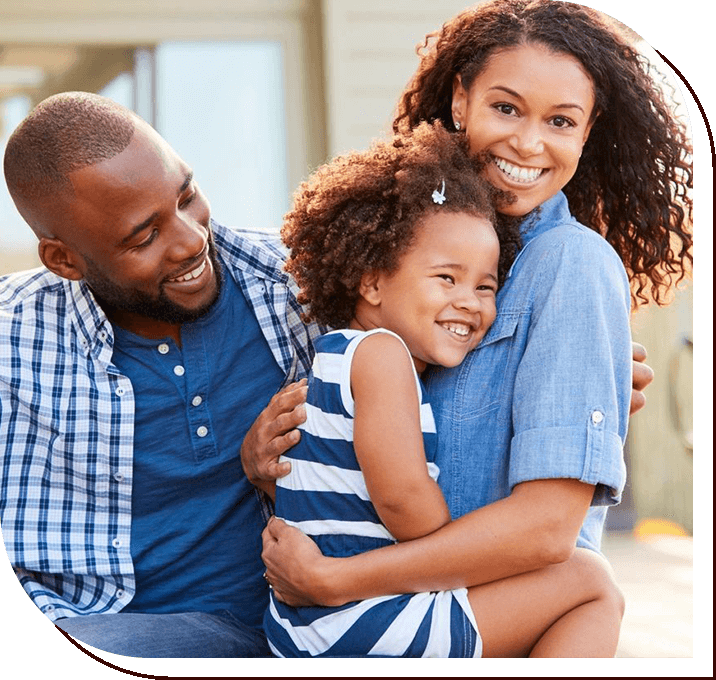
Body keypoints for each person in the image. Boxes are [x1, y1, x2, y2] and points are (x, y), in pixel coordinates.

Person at [252, 0, 693, 655]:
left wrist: (338, 580)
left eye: (561, 121)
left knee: (591, 582)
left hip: (450, 612)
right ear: (462, 100)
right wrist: (265, 457)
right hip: (385, 618)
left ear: (588, 131)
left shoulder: (570, 264)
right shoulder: (399, 249)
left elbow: (546, 533)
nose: (528, 142)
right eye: (506, 107)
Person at [264, 121, 624, 658]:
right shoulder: (382, 357)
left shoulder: (335, 358)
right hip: (358, 622)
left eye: (486, 285)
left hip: (309, 624)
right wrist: (452, 535)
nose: (471, 302)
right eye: (446, 279)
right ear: (373, 281)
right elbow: (403, 500)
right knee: (590, 582)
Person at [0, 91, 323, 658]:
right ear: (64, 260)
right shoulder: (14, 343)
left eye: (187, 196)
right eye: (144, 237)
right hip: (102, 636)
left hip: (303, 627)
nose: (192, 239)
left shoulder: (301, 288)